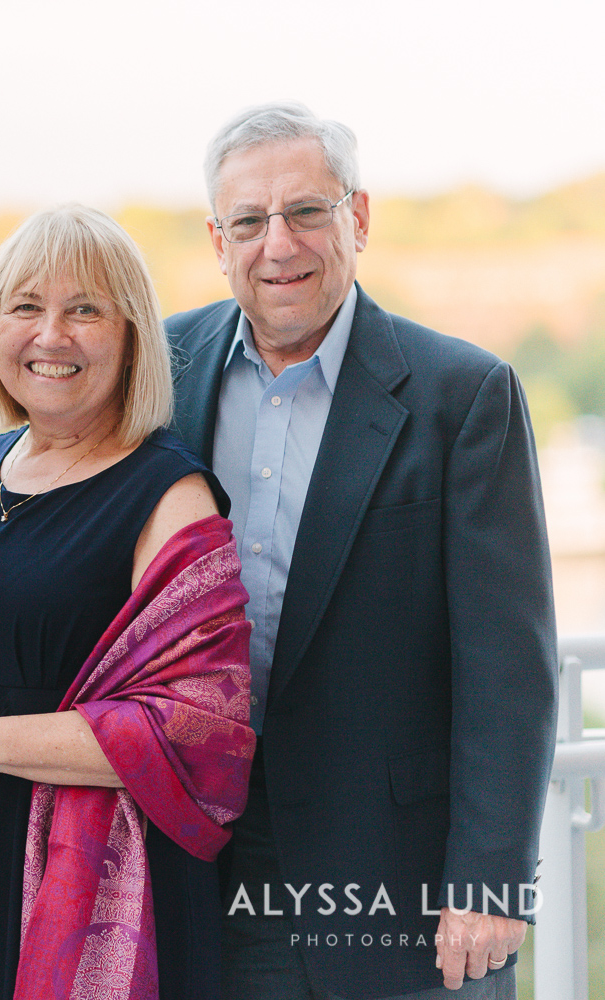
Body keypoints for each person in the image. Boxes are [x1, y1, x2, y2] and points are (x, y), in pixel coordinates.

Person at [167, 102, 557, 999]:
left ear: (360, 217)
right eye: (250, 222)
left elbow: (510, 665)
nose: (280, 245)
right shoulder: (161, 367)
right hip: (210, 857)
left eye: (308, 211)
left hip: (405, 882)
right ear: (217, 241)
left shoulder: (464, 394)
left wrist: (491, 882)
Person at [0, 204, 257, 1000]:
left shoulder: (171, 494)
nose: (50, 335)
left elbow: (199, 734)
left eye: (84, 309)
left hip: (104, 883)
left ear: (130, 338)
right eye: (25, 307)